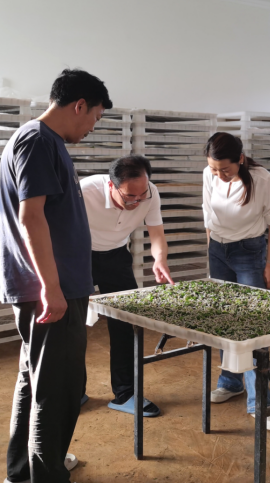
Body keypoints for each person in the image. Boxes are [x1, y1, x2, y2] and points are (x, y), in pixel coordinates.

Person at [0, 69, 112, 483]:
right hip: (50, 288)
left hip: (51, 286)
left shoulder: (45, 141)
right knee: (57, 389)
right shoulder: (38, 141)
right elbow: (31, 217)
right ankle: (45, 475)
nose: (92, 126)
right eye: (95, 116)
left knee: (37, 381)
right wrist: (51, 287)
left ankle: (25, 472)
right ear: (79, 105)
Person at [202, 132, 270, 431]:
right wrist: (212, 255)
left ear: (240, 159)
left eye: (225, 169)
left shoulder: (262, 179)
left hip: (249, 252)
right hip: (218, 250)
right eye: (214, 169)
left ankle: (259, 402)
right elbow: (208, 215)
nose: (219, 175)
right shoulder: (209, 174)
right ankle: (230, 381)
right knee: (224, 319)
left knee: (251, 325)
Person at [80, 155, 174, 417]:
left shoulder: (149, 193)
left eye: (142, 194)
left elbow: (157, 233)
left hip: (116, 256)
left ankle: (126, 394)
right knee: (72, 325)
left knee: (125, 323)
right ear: (111, 186)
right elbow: (60, 234)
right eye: (130, 196)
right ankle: (72, 390)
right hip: (79, 255)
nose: (137, 201)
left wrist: (160, 260)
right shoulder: (84, 192)